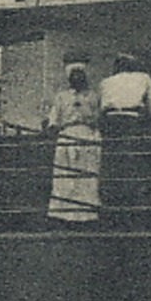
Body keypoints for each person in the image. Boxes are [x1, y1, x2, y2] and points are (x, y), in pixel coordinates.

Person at [43, 61, 102, 223]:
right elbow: (54, 120)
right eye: (74, 76)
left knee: (86, 175)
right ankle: (64, 214)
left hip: (87, 136)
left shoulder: (93, 96)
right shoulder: (62, 97)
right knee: (66, 176)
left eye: (80, 76)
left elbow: (98, 117)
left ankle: (87, 214)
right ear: (69, 79)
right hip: (67, 135)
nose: (77, 79)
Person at [98, 53, 151, 135]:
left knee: (112, 145)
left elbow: (100, 109)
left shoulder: (105, 82)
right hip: (131, 120)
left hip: (110, 121)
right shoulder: (143, 78)